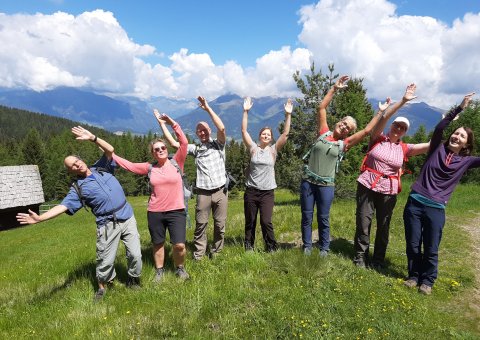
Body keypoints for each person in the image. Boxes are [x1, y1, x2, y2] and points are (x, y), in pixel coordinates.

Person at [16, 127, 143, 301]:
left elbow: (110, 150)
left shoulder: (101, 168)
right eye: (72, 166)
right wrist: (40, 218)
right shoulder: (78, 188)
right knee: (105, 260)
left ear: (81, 159)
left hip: (127, 216)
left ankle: (133, 279)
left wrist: (93, 137)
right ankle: (103, 287)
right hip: (107, 224)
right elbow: (63, 206)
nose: (77, 164)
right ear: (72, 171)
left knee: (135, 254)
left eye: (76, 161)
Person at [300, 75, 388, 256]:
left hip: (326, 186)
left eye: (348, 127)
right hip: (308, 182)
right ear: (339, 121)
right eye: (344, 123)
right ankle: (307, 246)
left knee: (323, 218)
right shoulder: (323, 133)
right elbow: (321, 107)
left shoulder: (344, 145)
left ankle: (324, 248)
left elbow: (366, 131)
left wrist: (380, 112)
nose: (344, 127)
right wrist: (334, 89)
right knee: (306, 216)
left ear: (349, 132)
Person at [403, 92, 478, 295]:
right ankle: (413, 276)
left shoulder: (466, 161)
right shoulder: (437, 148)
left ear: (466, 144)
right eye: (456, 133)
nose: (457, 136)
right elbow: (439, 128)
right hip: (415, 202)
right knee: (412, 243)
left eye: (462, 136)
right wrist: (459, 108)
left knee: (431, 247)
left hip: (436, 208)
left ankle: (427, 281)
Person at [353, 84, 430, 268]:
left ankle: (378, 260)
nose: (398, 128)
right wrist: (403, 100)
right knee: (363, 222)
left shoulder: (405, 148)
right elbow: (384, 117)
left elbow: (429, 145)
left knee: (384, 225)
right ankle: (360, 258)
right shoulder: (377, 138)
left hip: (389, 190)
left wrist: (446, 125)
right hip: (367, 185)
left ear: (405, 132)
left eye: (402, 128)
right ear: (392, 126)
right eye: (397, 125)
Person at [111, 110, 190, 282]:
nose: (160, 150)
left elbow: (183, 142)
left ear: (166, 149)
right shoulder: (149, 168)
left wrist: (172, 123)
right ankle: (159, 271)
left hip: (177, 210)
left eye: (162, 148)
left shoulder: (177, 162)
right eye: (156, 149)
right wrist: (111, 154)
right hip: (155, 212)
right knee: (158, 243)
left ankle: (180, 268)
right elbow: (129, 166)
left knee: (179, 244)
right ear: (153, 153)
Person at [241, 97, 293, 252]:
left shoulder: (274, 150)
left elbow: (286, 133)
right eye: (263, 134)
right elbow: (244, 131)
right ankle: (248, 247)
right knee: (250, 221)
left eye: (268, 134)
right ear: (259, 136)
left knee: (266, 221)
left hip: (267, 193)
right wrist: (245, 111)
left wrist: (288, 115)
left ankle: (271, 247)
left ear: (271, 138)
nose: (265, 136)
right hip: (251, 191)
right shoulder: (253, 148)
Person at [187, 96, 227, 260]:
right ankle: (199, 255)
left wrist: (208, 108)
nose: (202, 132)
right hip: (203, 193)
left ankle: (216, 252)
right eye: (199, 130)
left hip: (220, 191)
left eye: (204, 129)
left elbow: (222, 128)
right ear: (196, 134)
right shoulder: (196, 149)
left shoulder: (219, 144)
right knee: (201, 225)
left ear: (210, 131)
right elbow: (177, 145)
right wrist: (165, 125)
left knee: (220, 225)